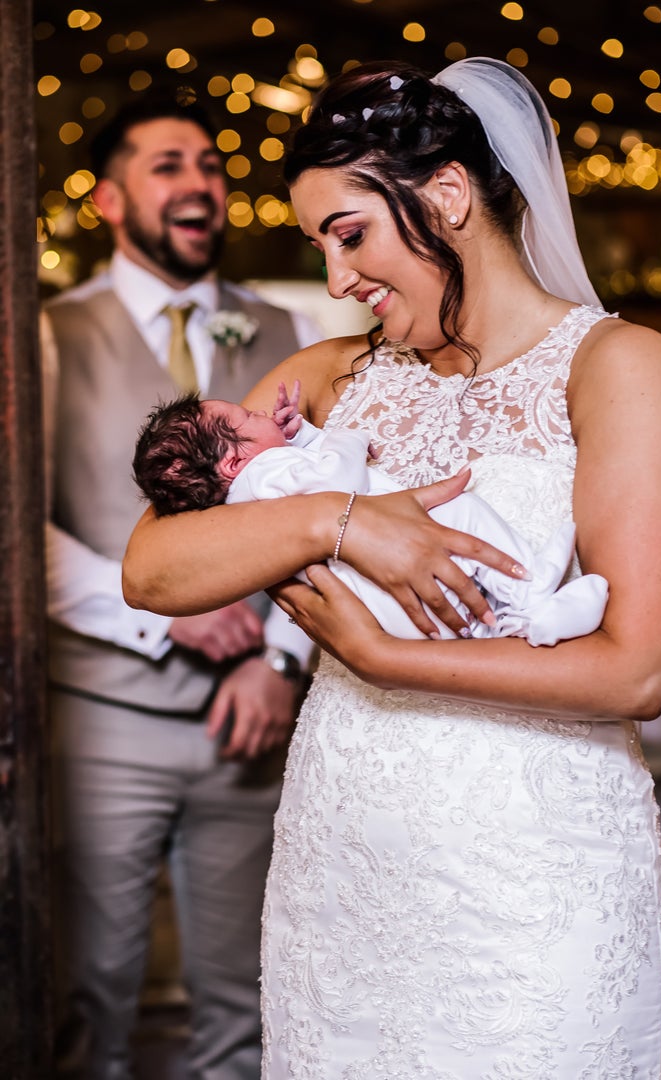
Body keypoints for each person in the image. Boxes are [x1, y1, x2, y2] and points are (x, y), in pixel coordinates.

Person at [122, 58, 661, 1078]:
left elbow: (638, 673)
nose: (337, 281)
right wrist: (347, 521)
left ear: (445, 196)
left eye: (348, 236)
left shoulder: (618, 370)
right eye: (320, 248)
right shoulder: (328, 380)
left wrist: (381, 657)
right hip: (343, 867)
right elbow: (154, 569)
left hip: (534, 876)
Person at [43, 92, 322, 1079]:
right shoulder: (46, 336)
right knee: (89, 993)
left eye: (209, 164)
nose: (201, 183)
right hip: (101, 721)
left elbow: (333, 507)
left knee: (249, 997)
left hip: (258, 721)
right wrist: (161, 616)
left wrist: (283, 662)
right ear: (110, 200)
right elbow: (18, 534)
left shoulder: (291, 328)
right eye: (168, 165)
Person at [132, 383, 609, 646]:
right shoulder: (263, 476)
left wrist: (303, 436)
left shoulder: (252, 491)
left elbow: (312, 477)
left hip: (388, 606)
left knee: (460, 602)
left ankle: (513, 624)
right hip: (397, 570)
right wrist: (347, 437)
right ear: (234, 463)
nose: (261, 414)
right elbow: (337, 486)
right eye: (248, 417)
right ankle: (529, 593)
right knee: (462, 507)